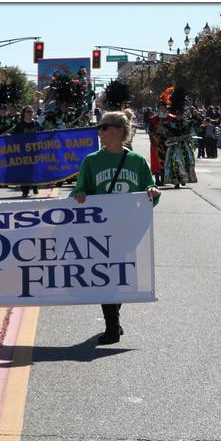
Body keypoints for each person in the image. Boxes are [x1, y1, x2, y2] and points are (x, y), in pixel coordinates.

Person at [70, 111, 160, 346]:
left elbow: (150, 188)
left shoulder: (136, 161)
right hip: (101, 232)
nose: (99, 131)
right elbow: (79, 190)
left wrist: (152, 192)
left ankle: (114, 319)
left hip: (129, 229)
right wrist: (79, 194)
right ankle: (112, 326)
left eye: (104, 127)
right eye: (99, 127)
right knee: (108, 276)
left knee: (120, 277)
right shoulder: (91, 161)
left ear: (119, 131)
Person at [12, 105, 41, 197]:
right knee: (24, 170)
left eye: (32, 112)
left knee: (34, 169)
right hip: (23, 152)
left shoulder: (37, 124)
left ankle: (35, 186)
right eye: (28, 112)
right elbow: (14, 138)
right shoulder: (19, 125)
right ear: (24, 113)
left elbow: (43, 134)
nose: (30, 113)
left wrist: (53, 133)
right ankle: (25, 190)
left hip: (35, 150)